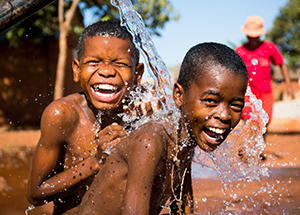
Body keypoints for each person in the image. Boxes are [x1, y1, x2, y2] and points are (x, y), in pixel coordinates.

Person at [76, 42, 249, 215]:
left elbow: (183, 206)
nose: (225, 115)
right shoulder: (150, 142)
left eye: (235, 105)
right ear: (179, 96)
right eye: (211, 101)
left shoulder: (184, 139)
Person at [26, 20, 151, 214]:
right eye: (93, 62)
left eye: (120, 64)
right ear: (77, 70)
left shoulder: (141, 115)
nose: (107, 72)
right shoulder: (63, 116)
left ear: (137, 75)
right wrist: (95, 162)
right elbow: (36, 193)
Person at [236, 16, 295, 126]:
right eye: (250, 36)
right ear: (246, 35)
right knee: (250, 122)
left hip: (266, 92)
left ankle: (262, 143)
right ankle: (251, 143)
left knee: (264, 122)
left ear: (260, 35)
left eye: (256, 36)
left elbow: (282, 64)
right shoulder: (240, 51)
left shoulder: (269, 48)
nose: (253, 39)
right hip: (248, 93)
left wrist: (289, 85)